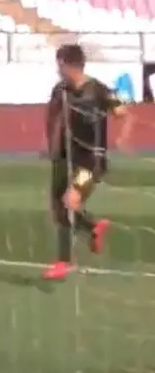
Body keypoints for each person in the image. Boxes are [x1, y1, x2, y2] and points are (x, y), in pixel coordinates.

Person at [43, 44, 133, 280]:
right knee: (58, 211)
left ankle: (63, 262)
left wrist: (122, 137)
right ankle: (93, 227)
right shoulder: (60, 90)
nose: (57, 69)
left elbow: (123, 113)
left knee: (70, 200)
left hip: (91, 161)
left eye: (59, 64)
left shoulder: (98, 91)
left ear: (66, 64)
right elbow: (53, 118)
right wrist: (52, 148)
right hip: (65, 157)